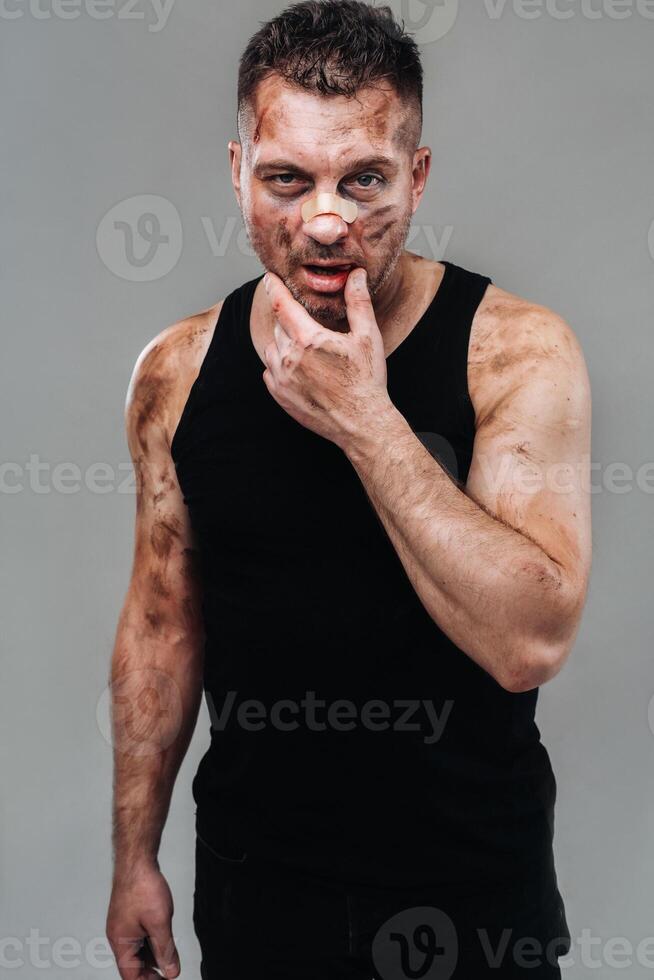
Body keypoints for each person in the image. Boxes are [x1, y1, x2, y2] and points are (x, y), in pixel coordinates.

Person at [105, 1, 592, 977]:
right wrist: (133, 858)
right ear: (239, 172)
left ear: (415, 180)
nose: (325, 220)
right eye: (288, 178)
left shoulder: (516, 352)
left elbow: (529, 640)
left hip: (470, 896)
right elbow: (162, 623)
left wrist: (365, 418)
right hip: (258, 886)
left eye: (362, 179)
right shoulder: (177, 370)